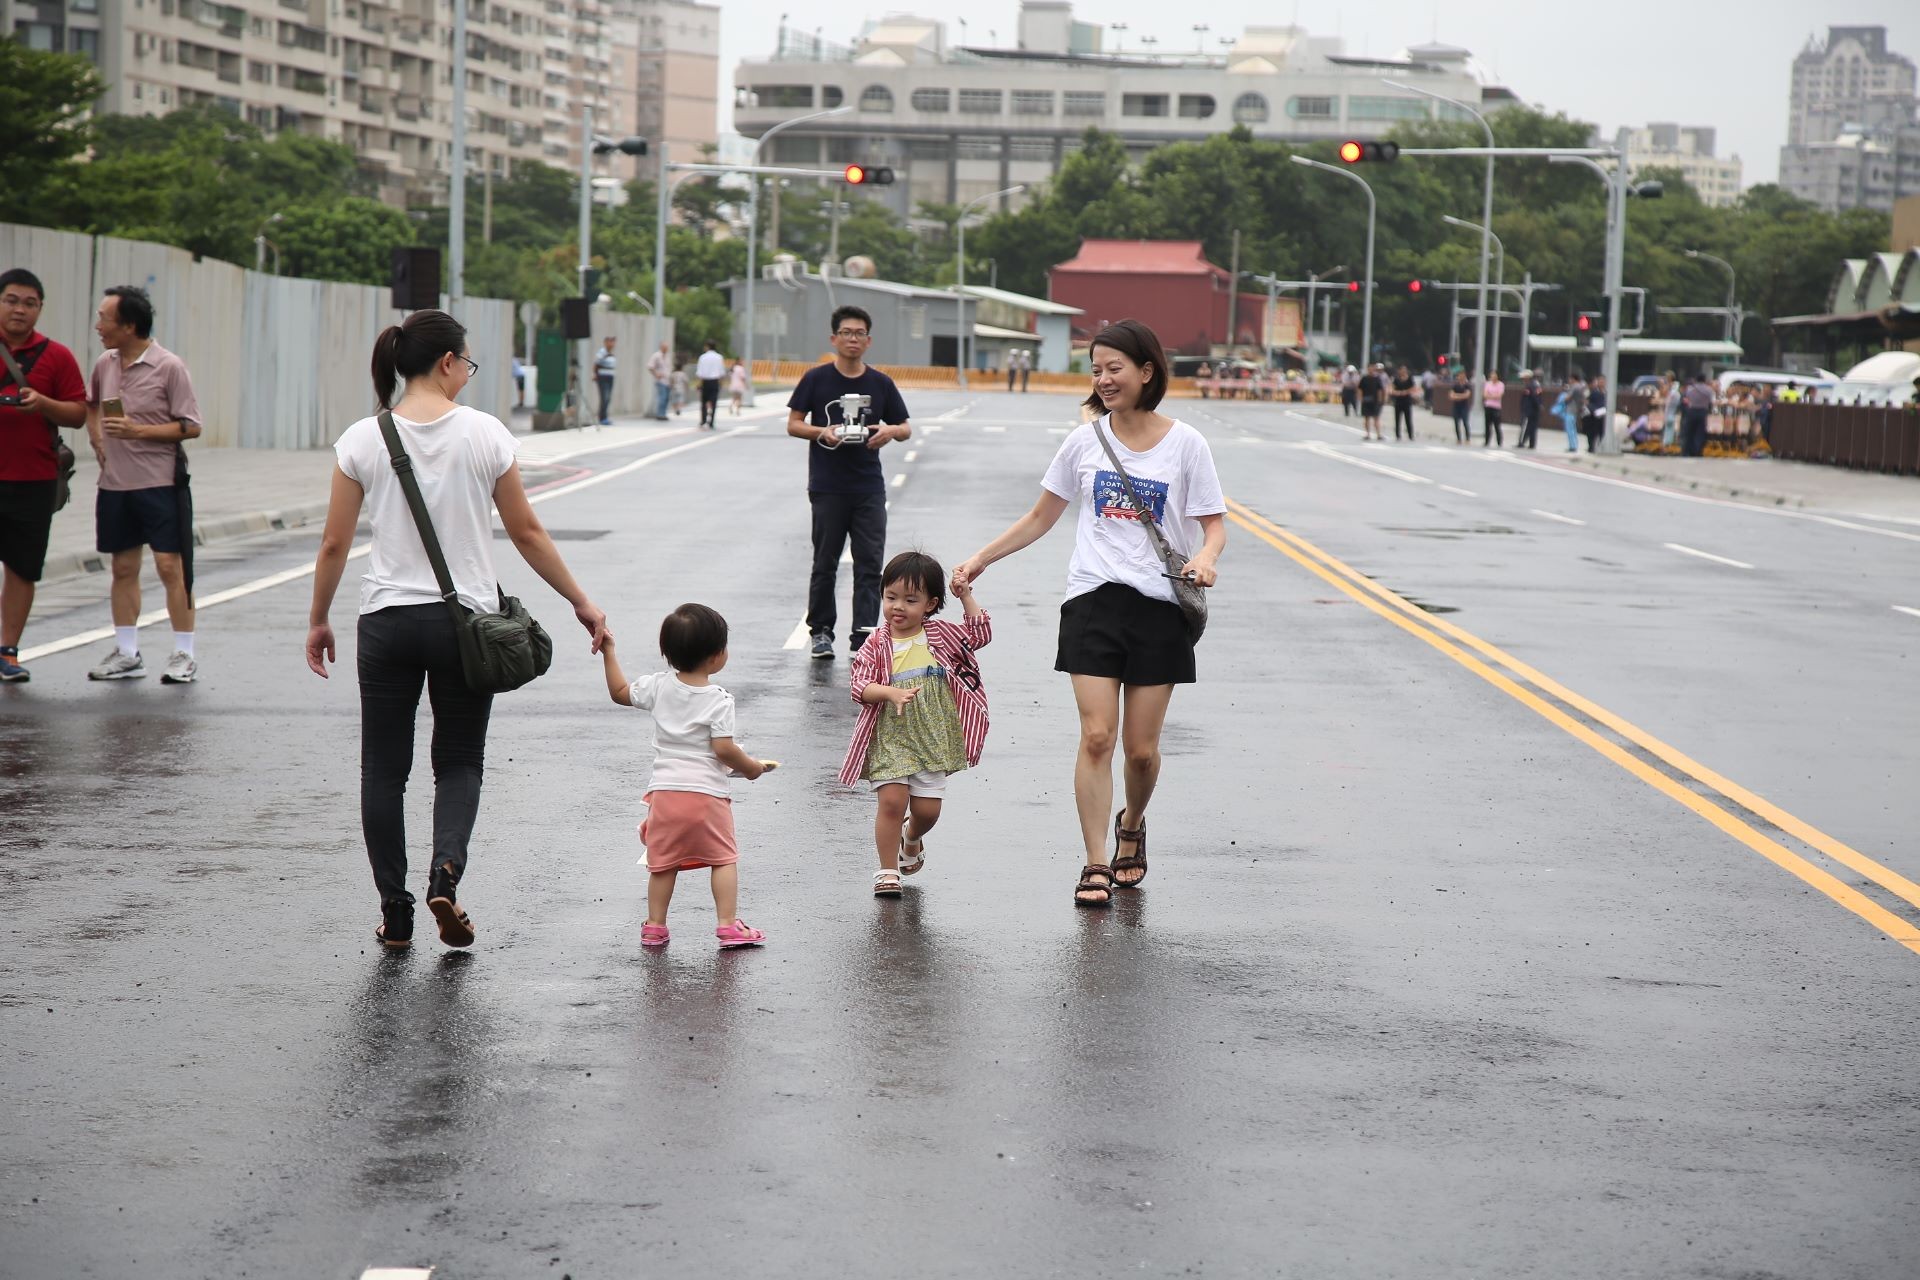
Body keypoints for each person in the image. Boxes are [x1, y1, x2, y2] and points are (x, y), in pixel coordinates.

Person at [305, 308, 612, 950]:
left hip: (386, 622)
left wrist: (318, 619)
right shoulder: (485, 435)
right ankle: (445, 873)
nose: (467, 374)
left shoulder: (364, 437)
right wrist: (581, 601)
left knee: (383, 772)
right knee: (459, 760)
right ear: (447, 362)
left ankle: (395, 909)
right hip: (464, 625)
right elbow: (526, 532)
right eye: (466, 363)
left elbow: (335, 543)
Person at [952, 319, 1225, 908]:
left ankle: (1132, 827)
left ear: (1146, 372)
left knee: (1141, 751)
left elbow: (1214, 525)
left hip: (1159, 606)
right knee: (1097, 735)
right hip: (1092, 600)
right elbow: (1040, 517)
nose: (1102, 379)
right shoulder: (1084, 442)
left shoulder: (1186, 445)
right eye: (1095, 369)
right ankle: (1095, 860)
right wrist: (981, 559)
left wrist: (1205, 557)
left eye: (1114, 368)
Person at [603, 603, 774, 949]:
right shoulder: (719, 700)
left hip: (664, 795)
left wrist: (609, 652)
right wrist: (751, 768)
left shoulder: (657, 686)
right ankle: (727, 925)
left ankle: (654, 926)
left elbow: (620, 693)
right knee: (723, 859)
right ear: (716, 657)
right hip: (707, 795)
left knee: (662, 864)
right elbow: (723, 749)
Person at [840, 551, 992, 898]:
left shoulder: (941, 635)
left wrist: (965, 594)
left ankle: (912, 837)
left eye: (911, 600)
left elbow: (980, 634)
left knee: (927, 810)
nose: (898, 607)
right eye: (891, 597)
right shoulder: (876, 643)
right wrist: (889, 693)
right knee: (891, 803)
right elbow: (859, 686)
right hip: (890, 735)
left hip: (931, 736)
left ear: (930, 604)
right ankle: (887, 871)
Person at [85, 285, 203, 685]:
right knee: (122, 567)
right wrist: (96, 437)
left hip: (160, 484)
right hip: (115, 485)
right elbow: (91, 406)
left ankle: (184, 654)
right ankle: (126, 652)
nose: (98, 325)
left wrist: (138, 430)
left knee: (171, 567)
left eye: (105, 318)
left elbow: (191, 425)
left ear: (129, 325)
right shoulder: (105, 363)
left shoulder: (169, 366)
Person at [787, 305, 911, 660]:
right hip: (827, 486)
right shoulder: (816, 379)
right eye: (846, 333)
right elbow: (793, 423)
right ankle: (821, 631)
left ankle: (863, 636)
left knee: (870, 565)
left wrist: (889, 430)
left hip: (868, 488)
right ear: (834, 338)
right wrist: (822, 431)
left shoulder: (880, 384)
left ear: (868, 341)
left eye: (859, 333)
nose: (852, 339)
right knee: (824, 562)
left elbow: (905, 427)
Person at [0, 267, 89, 683]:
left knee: (23, 568)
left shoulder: (57, 356)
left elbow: (77, 413)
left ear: (40, 309)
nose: (20, 309)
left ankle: (8, 652)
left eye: (29, 303)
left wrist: (44, 404)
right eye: (11, 300)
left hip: (33, 479)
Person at [1680, 371, 1714, 457]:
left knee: (1689, 432)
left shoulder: (1690, 389)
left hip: (1691, 411)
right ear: (1704, 379)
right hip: (1702, 412)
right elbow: (1711, 401)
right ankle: (1697, 451)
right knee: (1700, 433)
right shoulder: (1709, 390)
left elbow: (1686, 399)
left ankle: (1686, 451)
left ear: (1696, 379)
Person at [694, 339, 724, 430]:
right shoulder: (719, 357)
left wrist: (699, 384)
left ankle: (703, 420)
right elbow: (721, 372)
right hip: (714, 382)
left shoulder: (702, 357)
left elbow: (700, 372)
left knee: (704, 402)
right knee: (713, 402)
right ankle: (711, 422)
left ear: (707, 346)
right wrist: (721, 384)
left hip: (705, 381)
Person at [1553, 375, 1585, 452]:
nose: (1569, 381)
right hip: (1575, 410)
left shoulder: (1575, 387)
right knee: (1573, 429)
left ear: (1573, 379)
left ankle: (1572, 446)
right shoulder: (1580, 387)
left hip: (1571, 410)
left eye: (1570, 379)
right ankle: (1574, 445)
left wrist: (1562, 398)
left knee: (1570, 429)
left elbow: (1567, 398)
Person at [1388, 364, 1417, 441]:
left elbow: (1413, 388)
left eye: (1405, 370)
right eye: (1402, 370)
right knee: (1397, 419)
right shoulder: (1396, 379)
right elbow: (1392, 389)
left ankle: (1410, 434)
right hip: (1398, 401)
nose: (1403, 372)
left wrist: (1406, 392)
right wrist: (1398, 392)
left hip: (1407, 401)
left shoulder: (1410, 379)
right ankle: (1398, 435)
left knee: (1408, 419)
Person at [1357, 362, 1385, 441]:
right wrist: (1360, 398)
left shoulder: (1377, 379)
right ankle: (1367, 434)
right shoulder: (1364, 378)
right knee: (1366, 418)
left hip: (1375, 401)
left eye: (1373, 368)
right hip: (1366, 400)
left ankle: (1378, 434)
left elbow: (1380, 390)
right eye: (1370, 368)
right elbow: (1360, 389)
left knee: (1376, 418)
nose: (1371, 369)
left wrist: (1380, 399)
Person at [1516, 369, 1542, 449]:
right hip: (1532, 408)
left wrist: (1537, 405)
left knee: (1527, 426)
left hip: (1530, 409)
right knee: (1532, 426)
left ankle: (1523, 442)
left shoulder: (1531, 385)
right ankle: (1531, 443)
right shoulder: (1534, 384)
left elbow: (1534, 397)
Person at [646, 340, 671, 420]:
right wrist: (656, 374)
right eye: (665, 347)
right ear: (661, 347)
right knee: (662, 397)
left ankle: (663, 413)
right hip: (660, 381)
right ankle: (660, 414)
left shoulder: (667, 356)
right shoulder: (656, 355)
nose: (666, 349)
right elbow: (650, 366)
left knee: (666, 398)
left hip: (667, 380)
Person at [594, 336, 616, 425]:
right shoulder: (602, 352)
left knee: (608, 398)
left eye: (613, 342)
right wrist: (595, 374)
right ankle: (602, 417)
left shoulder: (611, 353)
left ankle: (605, 416)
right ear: (606, 342)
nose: (612, 344)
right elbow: (596, 364)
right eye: (610, 342)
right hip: (603, 377)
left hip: (610, 376)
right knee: (604, 397)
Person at [1481, 370, 1506, 447]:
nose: (1493, 376)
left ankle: (1499, 441)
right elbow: (1485, 395)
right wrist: (1493, 396)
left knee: (1497, 425)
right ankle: (1486, 441)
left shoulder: (1501, 384)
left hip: (1496, 407)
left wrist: (1491, 395)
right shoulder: (1488, 384)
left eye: (1494, 375)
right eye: (1492, 375)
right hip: (1488, 406)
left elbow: (1499, 395)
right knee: (1487, 425)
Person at [1447, 370, 1472, 444]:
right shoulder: (1455, 385)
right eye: (1459, 375)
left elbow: (1467, 395)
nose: (1461, 377)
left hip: (1464, 406)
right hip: (1456, 406)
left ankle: (1467, 438)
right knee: (1456, 423)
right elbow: (1451, 396)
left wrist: (1457, 396)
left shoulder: (1467, 385)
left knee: (1465, 422)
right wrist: (1461, 396)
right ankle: (1458, 439)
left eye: (1462, 375)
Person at [1661, 372, 1683, 450]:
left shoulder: (1674, 387)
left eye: (1667, 378)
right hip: (1670, 409)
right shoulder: (1674, 387)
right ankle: (1667, 444)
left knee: (1669, 426)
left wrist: (1663, 385)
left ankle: (1668, 444)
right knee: (1668, 427)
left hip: (1671, 409)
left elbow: (1666, 394)